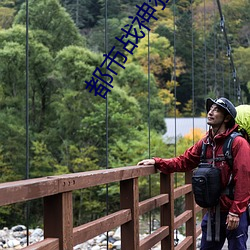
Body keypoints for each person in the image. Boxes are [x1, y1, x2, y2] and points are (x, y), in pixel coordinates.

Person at [137, 97, 250, 250]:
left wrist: (236, 212)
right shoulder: (205, 143)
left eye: (216, 110)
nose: (210, 112)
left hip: (233, 211)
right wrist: (157, 162)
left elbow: (244, 178)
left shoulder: (238, 143)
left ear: (227, 118)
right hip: (213, 211)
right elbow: (184, 161)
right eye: (210, 109)